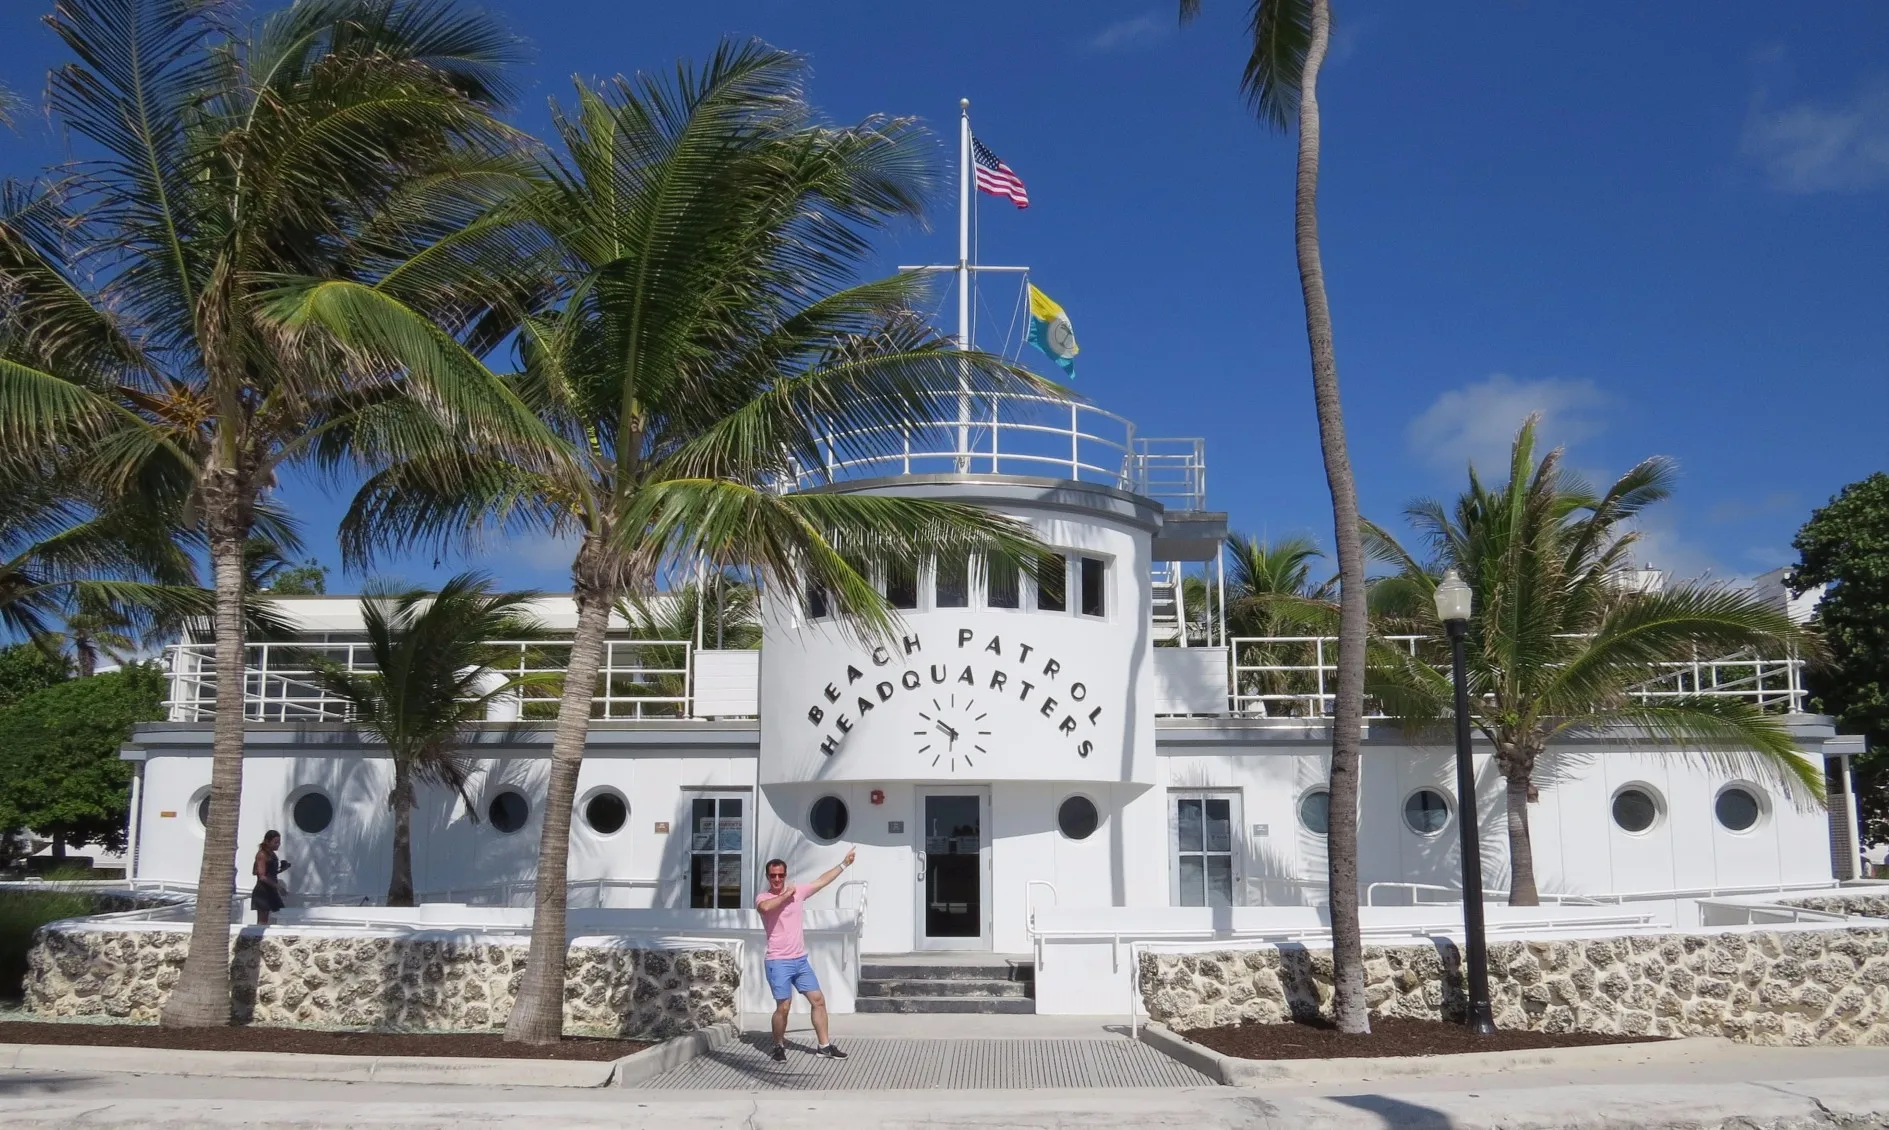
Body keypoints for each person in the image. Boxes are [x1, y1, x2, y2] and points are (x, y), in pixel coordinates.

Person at [756, 848, 854, 1062]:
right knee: (783, 1006)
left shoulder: (797, 892)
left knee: (818, 1000)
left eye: (781, 875)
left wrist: (844, 864)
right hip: (777, 960)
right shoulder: (764, 897)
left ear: (786, 874)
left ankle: (824, 1046)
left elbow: (821, 881)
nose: (777, 879)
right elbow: (765, 908)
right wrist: (786, 894)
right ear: (767, 876)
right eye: (773, 875)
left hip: (799, 959)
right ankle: (778, 1045)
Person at [251, 830, 289, 925]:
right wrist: (278, 887)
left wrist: (282, 869)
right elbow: (262, 876)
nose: (278, 845)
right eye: (275, 842)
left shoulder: (272, 854)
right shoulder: (262, 854)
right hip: (263, 891)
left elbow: (270, 873)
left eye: (279, 842)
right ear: (267, 842)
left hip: (271, 890)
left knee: (278, 915)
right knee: (262, 920)